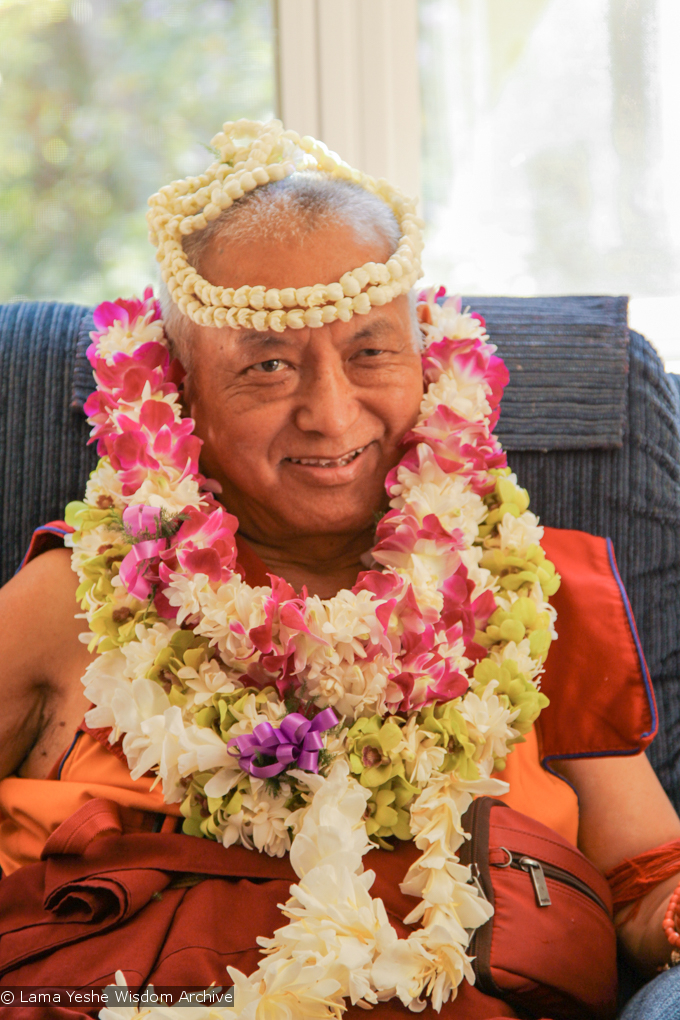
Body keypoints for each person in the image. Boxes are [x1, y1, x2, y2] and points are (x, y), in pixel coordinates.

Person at [1, 119, 680, 1020]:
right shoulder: (78, 600)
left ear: (430, 361)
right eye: (270, 365)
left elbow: (644, 877)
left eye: (370, 352)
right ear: (178, 391)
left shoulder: (531, 593)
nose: (331, 412)